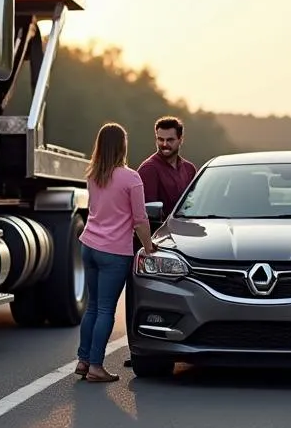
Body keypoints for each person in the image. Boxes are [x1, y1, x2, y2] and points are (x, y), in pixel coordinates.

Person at [75, 122, 156, 383]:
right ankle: (96, 367)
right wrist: (149, 247)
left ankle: (83, 360)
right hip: (114, 252)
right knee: (106, 310)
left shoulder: (93, 174)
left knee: (92, 307)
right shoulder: (131, 177)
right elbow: (140, 219)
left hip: (89, 246)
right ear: (123, 145)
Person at [123, 116, 199, 367]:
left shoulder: (190, 169)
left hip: (186, 243)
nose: (164, 144)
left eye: (169, 140)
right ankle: (139, 350)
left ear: (181, 139)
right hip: (155, 243)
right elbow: (144, 212)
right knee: (144, 296)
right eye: (160, 139)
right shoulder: (148, 169)